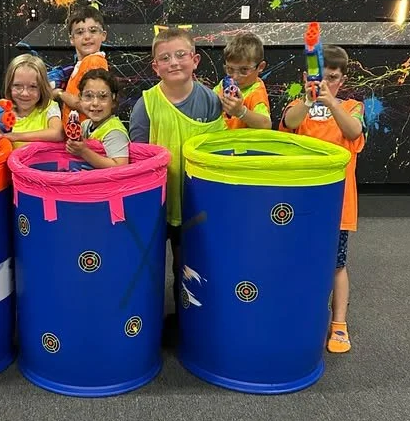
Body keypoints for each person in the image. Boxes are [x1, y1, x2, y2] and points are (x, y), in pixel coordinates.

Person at [129, 28, 225, 313]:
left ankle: (186, 320)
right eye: (165, 58)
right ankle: (148, 322)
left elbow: (217, 155)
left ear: (195, 60)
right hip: (155, 205)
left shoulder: (211, 102)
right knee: (146, 265)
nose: (173, 62)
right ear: (155, 67)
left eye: (181, 55)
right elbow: (137, 161)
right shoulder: (145, 105)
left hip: (195, 205)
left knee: (188, 265)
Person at [280, 44, 366, 354]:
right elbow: (289, 123)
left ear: (342, 80)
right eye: (319, 77)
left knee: (336, 265)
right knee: (296, 260)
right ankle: (296, 314)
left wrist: (330, 102)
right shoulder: (298, 105)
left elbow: (354, 132)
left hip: (337, 208)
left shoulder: (353, 107)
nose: (325, 83)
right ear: (305, 77)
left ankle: (339, 323)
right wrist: (309, 99)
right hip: (300, 205)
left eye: (332, 77)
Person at [0, 53, 63, 145]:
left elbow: (57, 133)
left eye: (33, 87)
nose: (25, 93)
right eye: (17, 86)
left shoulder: (48, 107)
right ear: (9, 86)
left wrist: (15, 136)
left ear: (42, 88)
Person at [50, 5, 109, 120]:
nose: (87, 36)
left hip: (86, 130)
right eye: (80, 32)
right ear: (71, 39)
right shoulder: (83, 63)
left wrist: (59, 93)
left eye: (93, 30)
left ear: (103, 35)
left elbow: (87, 104)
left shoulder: (94, 61)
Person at [66, 69, 130, 168]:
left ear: (113, 100)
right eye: (88, 96)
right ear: (80, 98)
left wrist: (84, 151)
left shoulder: (114, 132)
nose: (95, 103)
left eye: (103, 96)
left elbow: (120, 166)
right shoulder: (85, 125)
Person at [215, 31, 271, 129]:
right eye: (230, 69)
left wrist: (240, 112)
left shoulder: (256, 93)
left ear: (260, 67)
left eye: (244, 70)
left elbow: (266, 125)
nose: (235, 77)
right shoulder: (224, 83)